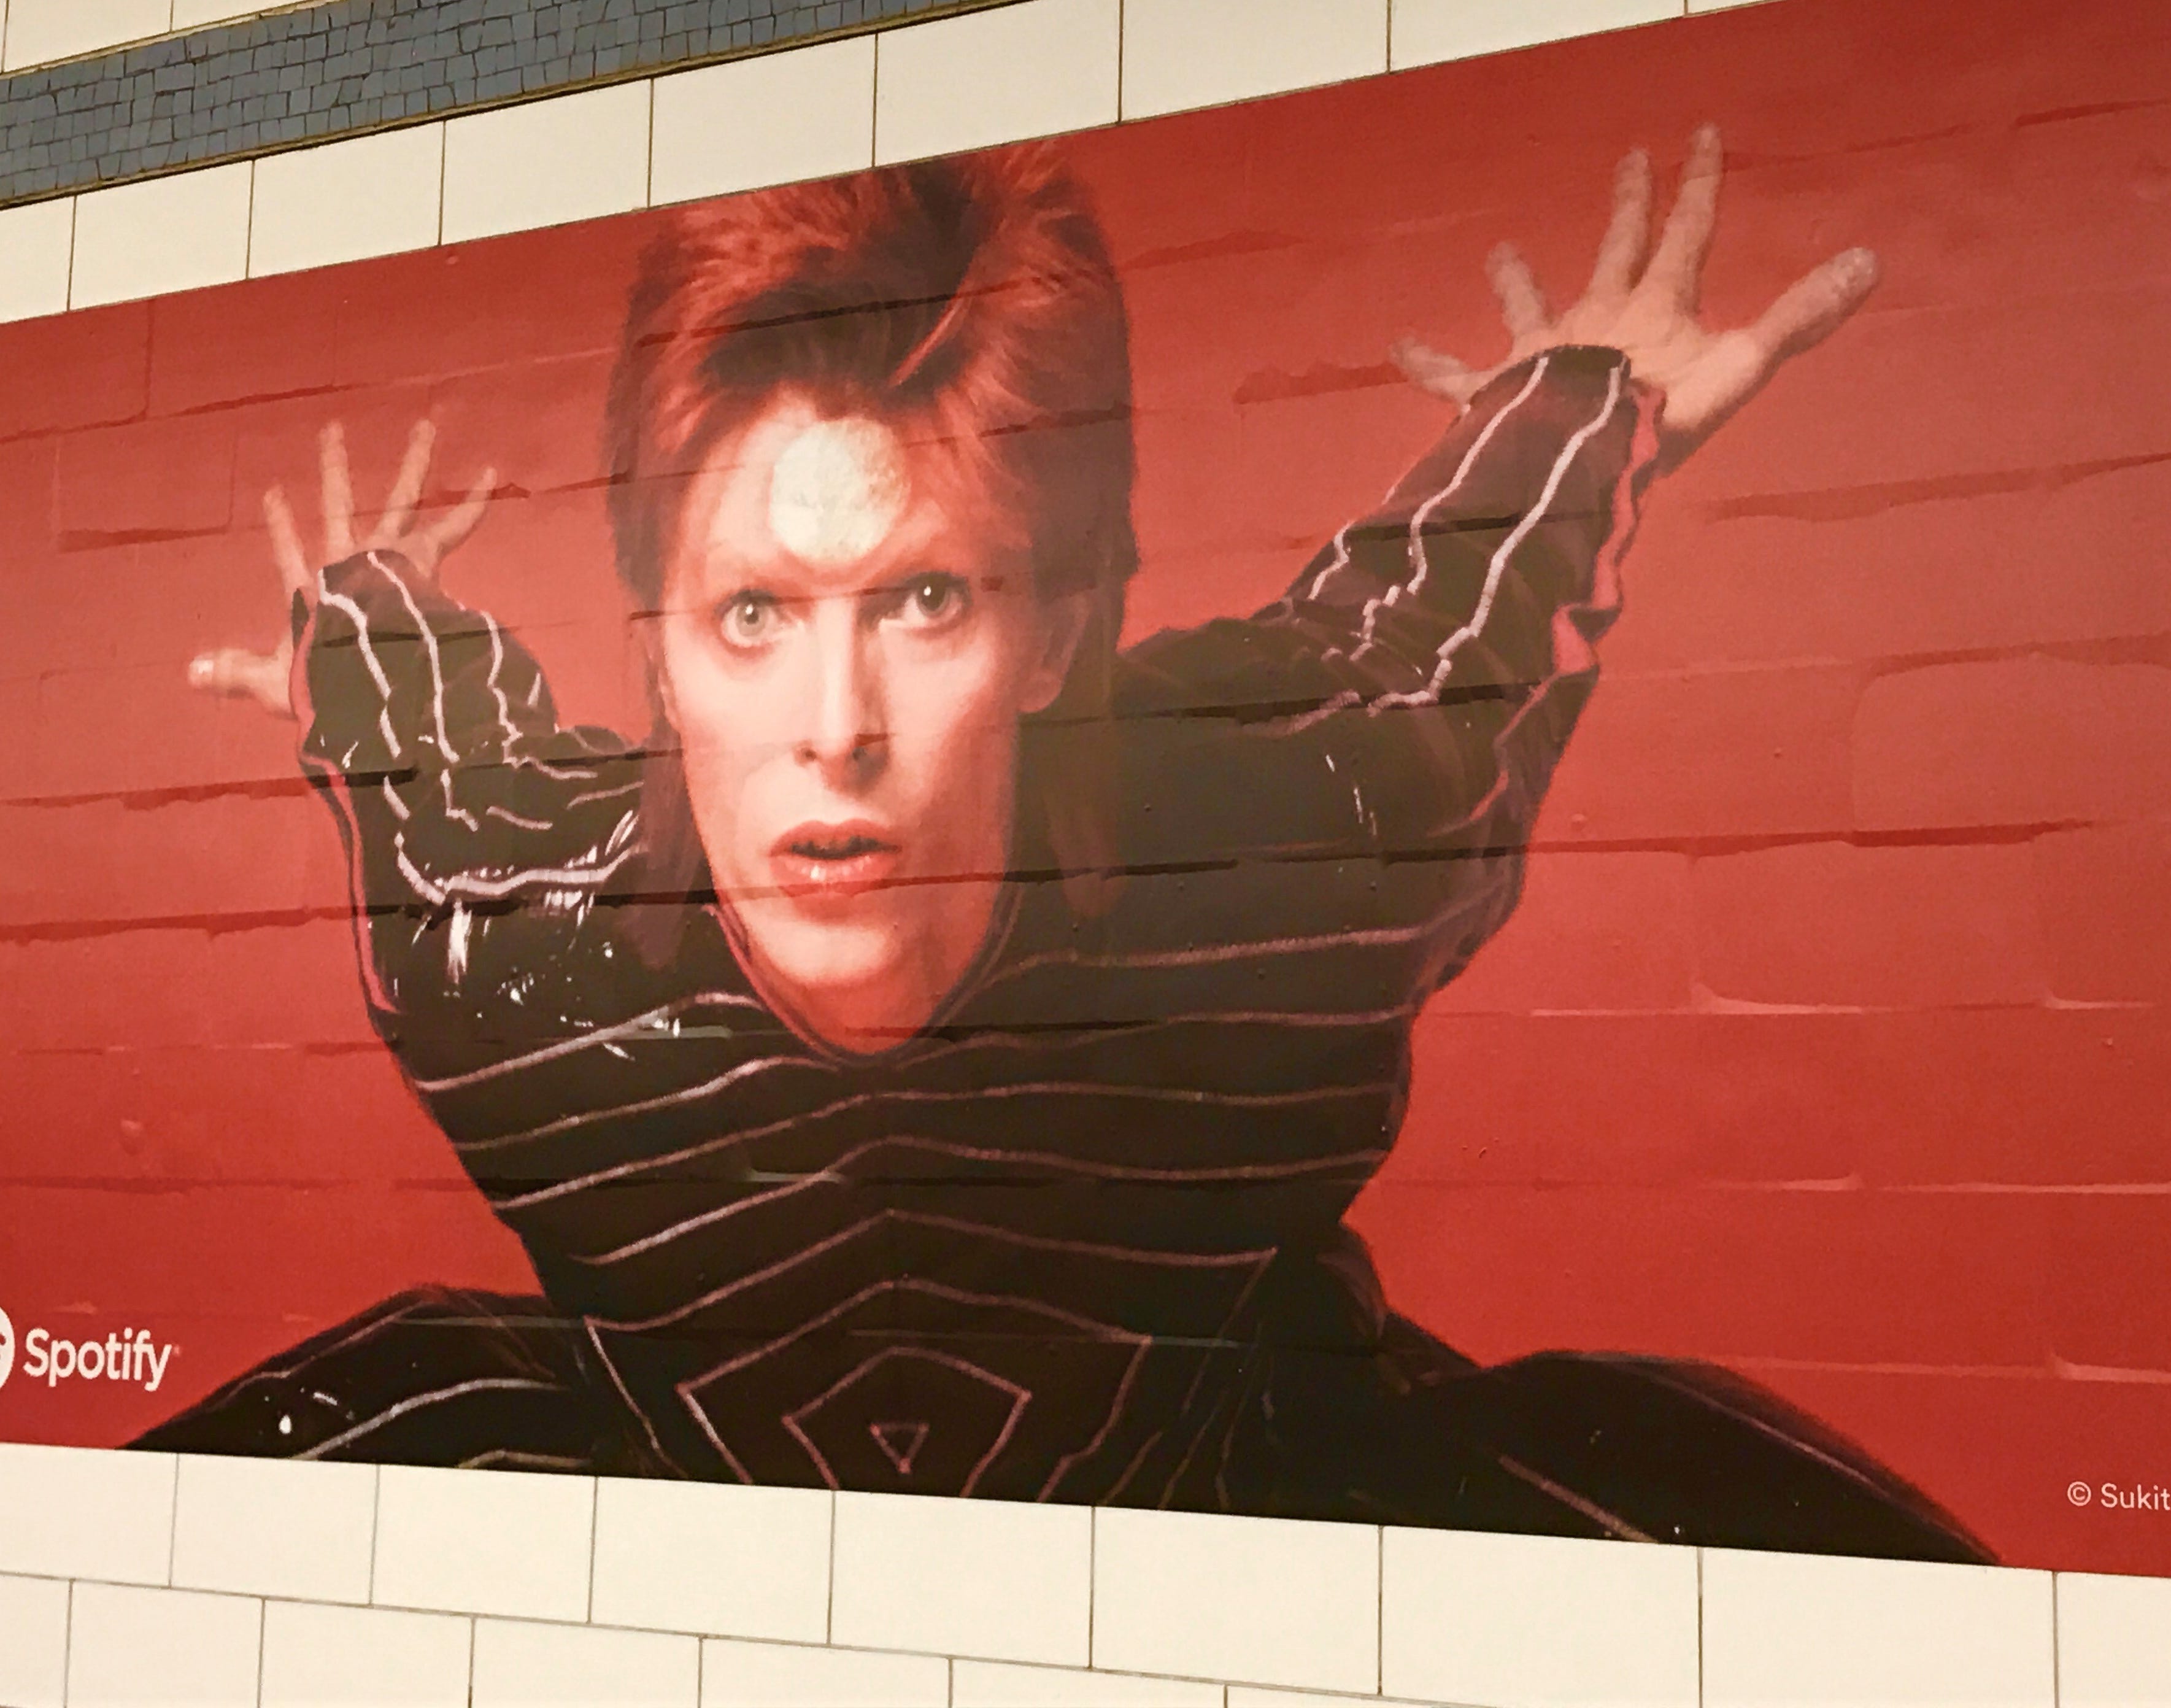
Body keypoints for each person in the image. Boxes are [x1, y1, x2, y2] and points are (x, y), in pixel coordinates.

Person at [158, 133, 1986, 1559]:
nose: (836, 724)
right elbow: (432, 748)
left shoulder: (1302, 852)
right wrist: (361, 609)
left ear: (1051, 636)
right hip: (658, 1460)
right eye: (751, 618)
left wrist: (1582, 396)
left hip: (1240, 1476)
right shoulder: (512, 953)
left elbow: (1433, 620)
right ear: (657, 653)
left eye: (928, 598)